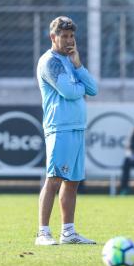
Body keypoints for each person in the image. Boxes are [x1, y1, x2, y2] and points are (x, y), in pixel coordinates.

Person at [35, 16, 98, 245]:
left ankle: (68, 233)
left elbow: (93, 89)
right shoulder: (49, 62)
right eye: (64, 36)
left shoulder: (71, 61)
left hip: (77, 127)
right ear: (53, 37)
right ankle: (42, 233)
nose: (69, 40)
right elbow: (70, 92)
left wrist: (79, 65)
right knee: (53, 179)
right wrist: (80, 87)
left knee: (72, 181)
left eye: (72, 36)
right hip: (59, 127)